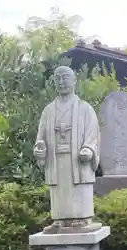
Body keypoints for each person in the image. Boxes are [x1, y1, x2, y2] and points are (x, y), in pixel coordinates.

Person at [34, 66, 101, 234]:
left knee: (77, 188)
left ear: (74, 81)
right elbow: (40, 138)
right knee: (59, 191)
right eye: (58, 78)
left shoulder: (84, 108)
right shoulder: (48, 111)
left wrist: (88, 149)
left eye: (65, 78)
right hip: (56, 161)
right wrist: (40, 149)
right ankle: (59, 221)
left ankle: (81, 219)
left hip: (77, 161)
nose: (62, 82)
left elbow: (94, 134)